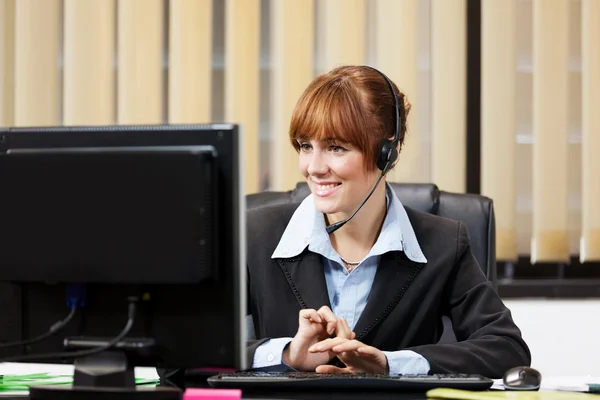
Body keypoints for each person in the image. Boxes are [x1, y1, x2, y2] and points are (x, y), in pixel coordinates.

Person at [245, 65, 530, 378]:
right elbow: (188, 349)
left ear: (387, 152)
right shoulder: (255, 235)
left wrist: (390, 364)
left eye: (335, 147)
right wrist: (288, 353)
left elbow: (506, 349)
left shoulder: (442, 244)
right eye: (305, 146)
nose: (313, 167)